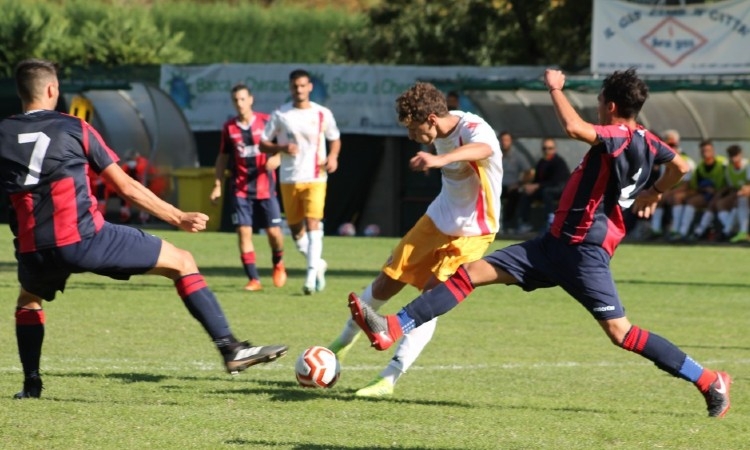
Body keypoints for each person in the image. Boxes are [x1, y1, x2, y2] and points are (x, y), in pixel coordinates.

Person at [348, 68, 732, 418]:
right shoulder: (650, 140)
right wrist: (655, 192)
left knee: (622, 334)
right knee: (468, 274)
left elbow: (572, 127)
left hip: (584, 254)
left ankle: (709, 380)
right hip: (552, 245)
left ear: (610, 105)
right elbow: (682, 166)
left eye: (599, 101)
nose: (598, 107)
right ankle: (392, 326)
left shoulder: (618, 134)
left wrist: (555, 89)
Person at [0, 59, 287, 399]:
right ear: (52, 89)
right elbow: (126, 187)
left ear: (20, 92)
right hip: (85, 237)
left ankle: (31, 385)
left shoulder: (3, 132)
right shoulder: (75, 127)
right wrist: (176, 216)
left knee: (29, 300)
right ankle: (231, 349)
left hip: (34, 248)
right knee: (182, 261)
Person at [327, 81, 503, 397]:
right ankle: (340, 345)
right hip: (437, 218)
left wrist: (438, 160)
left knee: (429, 298)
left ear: (432, 119)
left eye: (413, 129)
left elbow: (484, 149)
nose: (411, 137)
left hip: (474, 231)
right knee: (386, 281)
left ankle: (388, 379)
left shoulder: (474, 128)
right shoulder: (440, 127)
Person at [260, 69, 341, 295]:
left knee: (313, 223)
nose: (299, 90)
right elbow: (263, 143)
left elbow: (335, 138)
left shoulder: (322, 113)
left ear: (310, 87)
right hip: (289, 177)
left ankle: (310, 275)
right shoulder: (281, 114)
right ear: (290, 87)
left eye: (303, 86)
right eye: (295, 86)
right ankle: (318, 263)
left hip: (316, 176)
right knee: (296, 231)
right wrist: (281, 148)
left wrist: (333, 157)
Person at [210, 84, 287, 291]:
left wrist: (278, 158)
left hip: (265, 188)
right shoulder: (229, 128)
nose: (240, 103)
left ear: (251, 100)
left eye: (243, 99)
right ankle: (254, 279)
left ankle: (278, 262)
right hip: (240, 189)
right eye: (236, 100)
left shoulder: (266, 122)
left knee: (274, 234)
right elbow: (222, 158)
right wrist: (217, 185)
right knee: (244, 231)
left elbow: (283, 146)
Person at [647, 129, 695, 240]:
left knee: (675, 198)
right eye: (668, 144)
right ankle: (656, 230)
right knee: (656, 198)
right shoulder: (665, 161)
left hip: (687, 192)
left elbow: (686, 185)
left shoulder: (686, 161)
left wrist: (666, 192)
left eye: (673, 144)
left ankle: (677, 231)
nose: (671, 147)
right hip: (670, 191)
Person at [676, 140, 726, 241]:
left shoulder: (722, 164)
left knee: (715, 203)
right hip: (708, 195)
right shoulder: (700, 168)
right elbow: (695, 186)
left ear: (713, 151)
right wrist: (705, 188)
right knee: (691, 202)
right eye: (703, 151)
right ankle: (683, 233)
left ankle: (700, 232)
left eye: (708, 150)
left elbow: (729, 182)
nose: (705, 153)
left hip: (723, 193)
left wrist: (717, 192)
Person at [517, 138, 570, 233]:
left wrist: (537, 186)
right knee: (526, 194)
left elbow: (556, 181)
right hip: (544, 188)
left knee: (547, 192)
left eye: (550, 148)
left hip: (559, 189)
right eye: (545, 148)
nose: (547, 151)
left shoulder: (559, 162)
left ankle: (550, 220)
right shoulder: (541, 162)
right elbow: (537, 180)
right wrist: (530, 186)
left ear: (555, 149)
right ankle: (524, 222)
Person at [498, 130, 533, 234]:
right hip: (496, 186)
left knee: (515, 195)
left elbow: (529, 172)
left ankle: (508, 224)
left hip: (511, 186)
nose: (504, 142)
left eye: (507, 140)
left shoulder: (518, 156)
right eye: (502, 140)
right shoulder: (494, 154)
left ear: (511, 141)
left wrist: (519, 183)